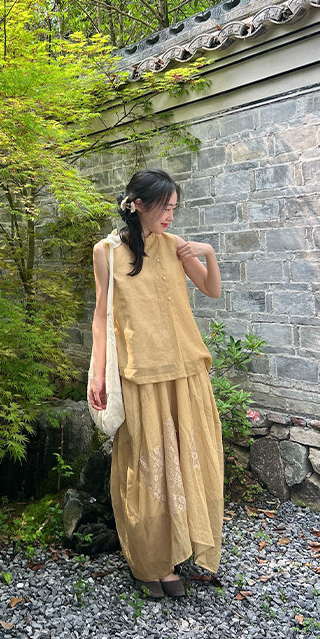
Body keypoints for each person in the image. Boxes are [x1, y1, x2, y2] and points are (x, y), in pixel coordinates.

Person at [88, 168, 224, 599]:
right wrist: (97, 372)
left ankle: (178, 550)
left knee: (186, 462)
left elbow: (212, 290)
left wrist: (207, 252)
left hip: (185, 369)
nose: (170, 216)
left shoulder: (175, 246)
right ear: (138, 205)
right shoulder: (106, 252)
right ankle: (152, 563)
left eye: (174, 208)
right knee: (146, 466)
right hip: (140, 373)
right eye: (164, 207)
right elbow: (101, 316)